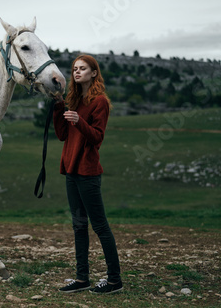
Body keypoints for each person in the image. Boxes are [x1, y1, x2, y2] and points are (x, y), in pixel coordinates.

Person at [54, 54, 122, 295]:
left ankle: (115, 280)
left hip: (88, 172)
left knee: (100, 226)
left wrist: (79, 120)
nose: (77, 72)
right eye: (74, 69)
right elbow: (63, 135)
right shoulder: (75, 99)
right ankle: (82, 278)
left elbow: (96, 137)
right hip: (71, 170)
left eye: (82, 68)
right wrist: (59, 107)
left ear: (94, 73)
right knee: (78, 226)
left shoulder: (100, 101)